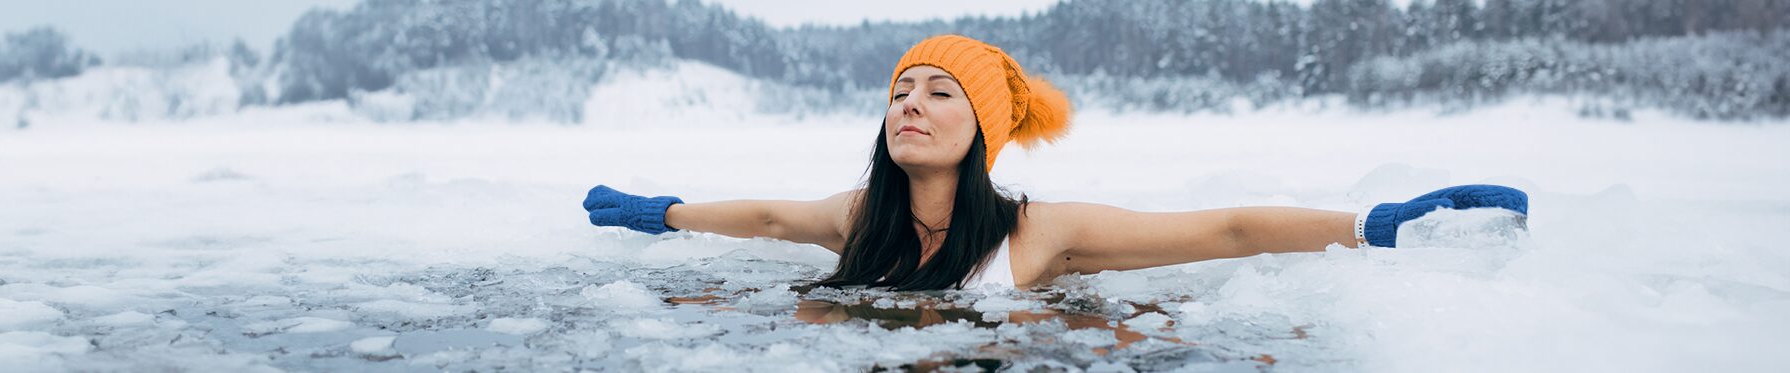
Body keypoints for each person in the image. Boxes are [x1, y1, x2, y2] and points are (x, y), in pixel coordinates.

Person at [582, 35, 1527, 291]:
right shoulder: (858, 213)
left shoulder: (1041, 232)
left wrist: (1370, 225)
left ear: (983, 130)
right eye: (900, 90)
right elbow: (767, 218)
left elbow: (1223, 230)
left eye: (938, 92)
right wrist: (660, 211)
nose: (910, 104)